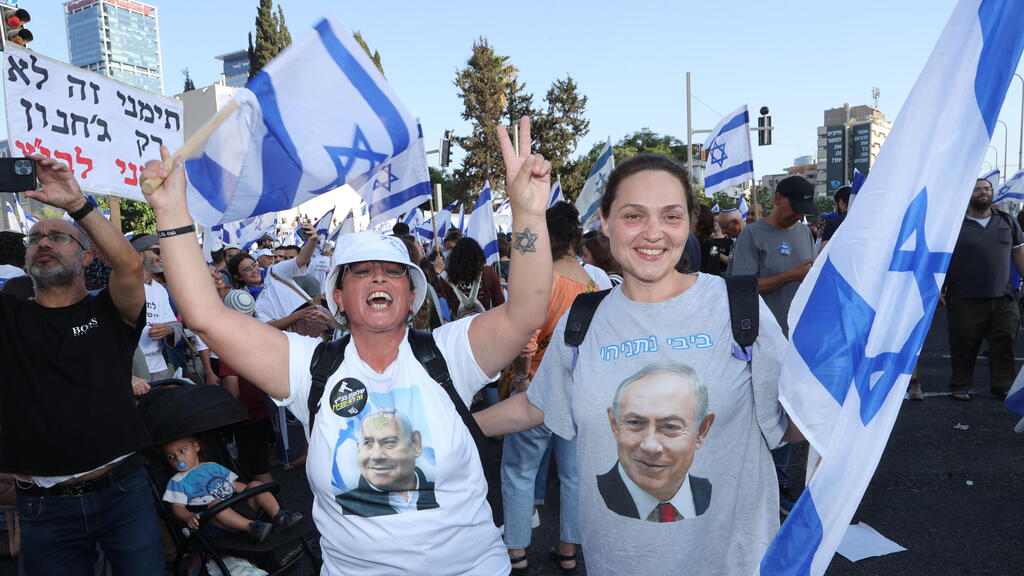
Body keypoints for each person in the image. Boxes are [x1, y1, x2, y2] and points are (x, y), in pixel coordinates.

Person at [141, 116, 553, 575]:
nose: (378, 276)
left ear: (411, 293)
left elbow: (528, 311)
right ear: (338, 295)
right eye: (361, 270)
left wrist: (529, 213)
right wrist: (171, 214)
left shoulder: (449, 353)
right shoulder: (308, 368)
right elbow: (205, 317)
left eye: (392, 270)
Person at [476, 153, 800, 576]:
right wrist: (442, 422)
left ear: (688, 222)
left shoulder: (736, 308)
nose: (653, 232)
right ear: (605, 222)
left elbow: (793, 423)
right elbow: (535, 406)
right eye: (633, 215)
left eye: (671, 215)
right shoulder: (583, 319)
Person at [0, 155, 166, 574]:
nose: (43, 242)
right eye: (34, 238)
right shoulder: (9, 317)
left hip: (123, 493)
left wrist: (77, 203)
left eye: (58, 237)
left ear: (88, 256)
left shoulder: (111, 312)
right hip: (41, 505)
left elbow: (128, 264)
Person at [502, 201, 591, 574]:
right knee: (573, 476)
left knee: (519, 472)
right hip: (577, 391)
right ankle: (569, 552)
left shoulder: (542, 278)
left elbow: (527, 339)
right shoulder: (593, 283)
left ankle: (517, 554)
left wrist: (521, 379)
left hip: (537, 389)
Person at [726, 174, 816, 515]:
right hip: (760, 343)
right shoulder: (752, 235)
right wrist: (789, 276)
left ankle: (778, 483)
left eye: (803, 210)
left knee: (788, 414)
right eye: (795, 207)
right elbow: (740, 288)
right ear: (778, 199)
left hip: (796, 341)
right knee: (761, 415)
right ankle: (758, 486)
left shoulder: (805, 231)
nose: (798, 215)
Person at [598, 363, 714, 522]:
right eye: (635, 423)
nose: (650, 446)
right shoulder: (592, 496)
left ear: (701, 430)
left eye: (670, 427)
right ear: (614, 424)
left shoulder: (718, 497)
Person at [944, 177, 1024, 400]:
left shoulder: (1007, 221)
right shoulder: (954, 224)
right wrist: (939, 288)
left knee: (1005, 342)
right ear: (968, 194)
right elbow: (940, 259)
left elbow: (1018, 252)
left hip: (1004, 297)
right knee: (964, 344)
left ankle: (1003, 386)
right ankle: (960, 386)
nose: (983, 192)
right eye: (977, 189)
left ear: (992, 193)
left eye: (987, 189)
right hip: (964, 298)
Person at [161, 436, 302, 543]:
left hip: (237, 505)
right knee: (215, 504)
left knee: (255, 484)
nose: (178, 458)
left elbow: (234, 485)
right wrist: (188, 517)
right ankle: (252, 528)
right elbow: (177, 507)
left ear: (196, 447)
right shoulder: (176, 481)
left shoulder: (213, 465)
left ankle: (280, 516)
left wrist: (252, 491)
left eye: (182, 451)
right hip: (214, 520)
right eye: (171, 457)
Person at [334, 409, 439, 517]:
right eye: (368, 443)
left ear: (415, 444)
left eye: (389, 442)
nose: (377, 455)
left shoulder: (444, 493)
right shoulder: (339, 508)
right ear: (358, 449)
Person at [132, 233, 182, 381]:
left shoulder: (159, 289)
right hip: (133, 368)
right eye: (157, 251)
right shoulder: (123, 287)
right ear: (139, 254)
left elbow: (174, 324)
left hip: (160, 366)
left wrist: (169, 329)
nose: (163, 256)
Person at [819, 185, 851, 251]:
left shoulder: (833, 222)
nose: (835, 207)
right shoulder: (864, 221)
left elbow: (823, 251)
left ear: (841, 202)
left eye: (835, 204)